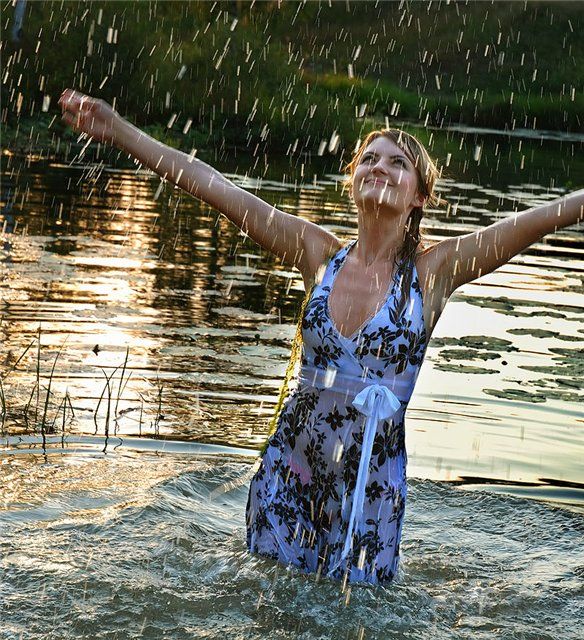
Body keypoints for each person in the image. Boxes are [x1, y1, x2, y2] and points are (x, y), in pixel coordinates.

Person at [58, 89, 584, 585]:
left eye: (397, 162)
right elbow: (214, 187)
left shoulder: (432, 274)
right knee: (269, 604)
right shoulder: (317, 253)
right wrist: (118, 129)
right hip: (291, 468)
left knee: (359, 617)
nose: (379, 167)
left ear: (420, 196)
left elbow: (535, 221)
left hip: (371, 485)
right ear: (352, 180)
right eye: (369, 159)